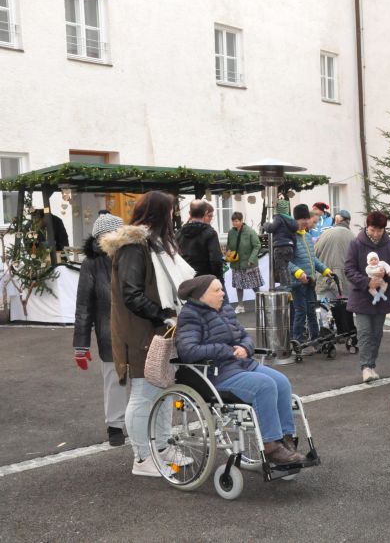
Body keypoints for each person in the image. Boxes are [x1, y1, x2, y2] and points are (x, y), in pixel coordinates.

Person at [101, 191, 196, 477]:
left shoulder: (154, 244)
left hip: (158, 330)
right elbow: (131, 295)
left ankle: (162, 448)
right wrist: (162, 315)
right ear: (159, 214)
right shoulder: (134, 246)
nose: (174, 217)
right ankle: (143, 457)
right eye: (170, 212)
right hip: (140, 332)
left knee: (163, 390)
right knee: (144, 394)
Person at [175, 275, 302, 465]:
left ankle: (286, 438)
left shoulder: (225, 309)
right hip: (217, 373)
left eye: (221, 289)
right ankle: (271, 446)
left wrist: (245, 348)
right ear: (202, 295)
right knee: (265, 385)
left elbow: (245, 336)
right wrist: (226, 350)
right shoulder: (191, 315)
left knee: (282, 382)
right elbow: (188, 351)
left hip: (242, 364)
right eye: (217, 290)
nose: (223, 293)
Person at [72, 211, 128, 446]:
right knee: (115, 378)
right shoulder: (92, 264)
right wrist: (81, 345)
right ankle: (115, 425)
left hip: (137, 327)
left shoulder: (132, 256)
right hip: (109, 332)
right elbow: (84, 306)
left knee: (141, 379)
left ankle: (139, 422)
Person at [345, 210, 390, 383]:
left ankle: (371, 364)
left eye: (380, 230)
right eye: (373, 230)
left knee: (376, 333)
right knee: (364, 332)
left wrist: (388, 273)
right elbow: (349, 269)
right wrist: (367, 282)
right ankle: (366, 367)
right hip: (362, 296)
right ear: (367, 227)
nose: (376, 234)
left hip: (382, 295)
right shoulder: (356, 243)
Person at [288, 204, 332, 351]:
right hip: (297, 283)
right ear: (297, 220)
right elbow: (285, 261)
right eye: (303, 219)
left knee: (312, 312)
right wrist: (298, 273)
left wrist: (325, 270)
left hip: (310, 282)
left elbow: (312, 259)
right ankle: (297, 341)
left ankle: (315, 339)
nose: (306, 222)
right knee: (300, 312)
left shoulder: (307, 236)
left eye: (306, 219)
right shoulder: (290, 237)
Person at [176, 199, 225, 288]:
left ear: (190, 213)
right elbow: (215, 260)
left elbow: (176, 257)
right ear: (205, 212)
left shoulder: (179, 233)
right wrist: (219, 278)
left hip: (186, 279)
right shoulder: (210, 233)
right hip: (206, 280)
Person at [225, 211, 262, 314]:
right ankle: (240, 305)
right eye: (233, 221)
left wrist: (251, 259)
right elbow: (228, 245)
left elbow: (257, 245)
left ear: (242, 221)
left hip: (249, 263)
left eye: (237, 221)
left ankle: (261, 303)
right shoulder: (231, 232)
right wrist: (228, 251)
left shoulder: (250, 231)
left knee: (255, 285)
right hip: (236, 263)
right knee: (238, 285)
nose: (235, 223)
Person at [314, 209, 354, 301]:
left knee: (324, 308)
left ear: (336, 220)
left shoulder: (325, 234)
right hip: (346, 284)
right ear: (348, 221)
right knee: (345, 309)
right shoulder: (353, 237)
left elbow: (314, 255)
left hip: (326, 281)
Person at [263, 198, 297, 289]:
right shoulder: (291, 220)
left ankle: (284, 286)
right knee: (286, 266)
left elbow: (270, 228)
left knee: (281, 267)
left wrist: (265, 224)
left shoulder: (279, 218)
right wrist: (294, 248)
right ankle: (288, 284)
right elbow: (294, 237)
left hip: (280, 246)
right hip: (290, 246)